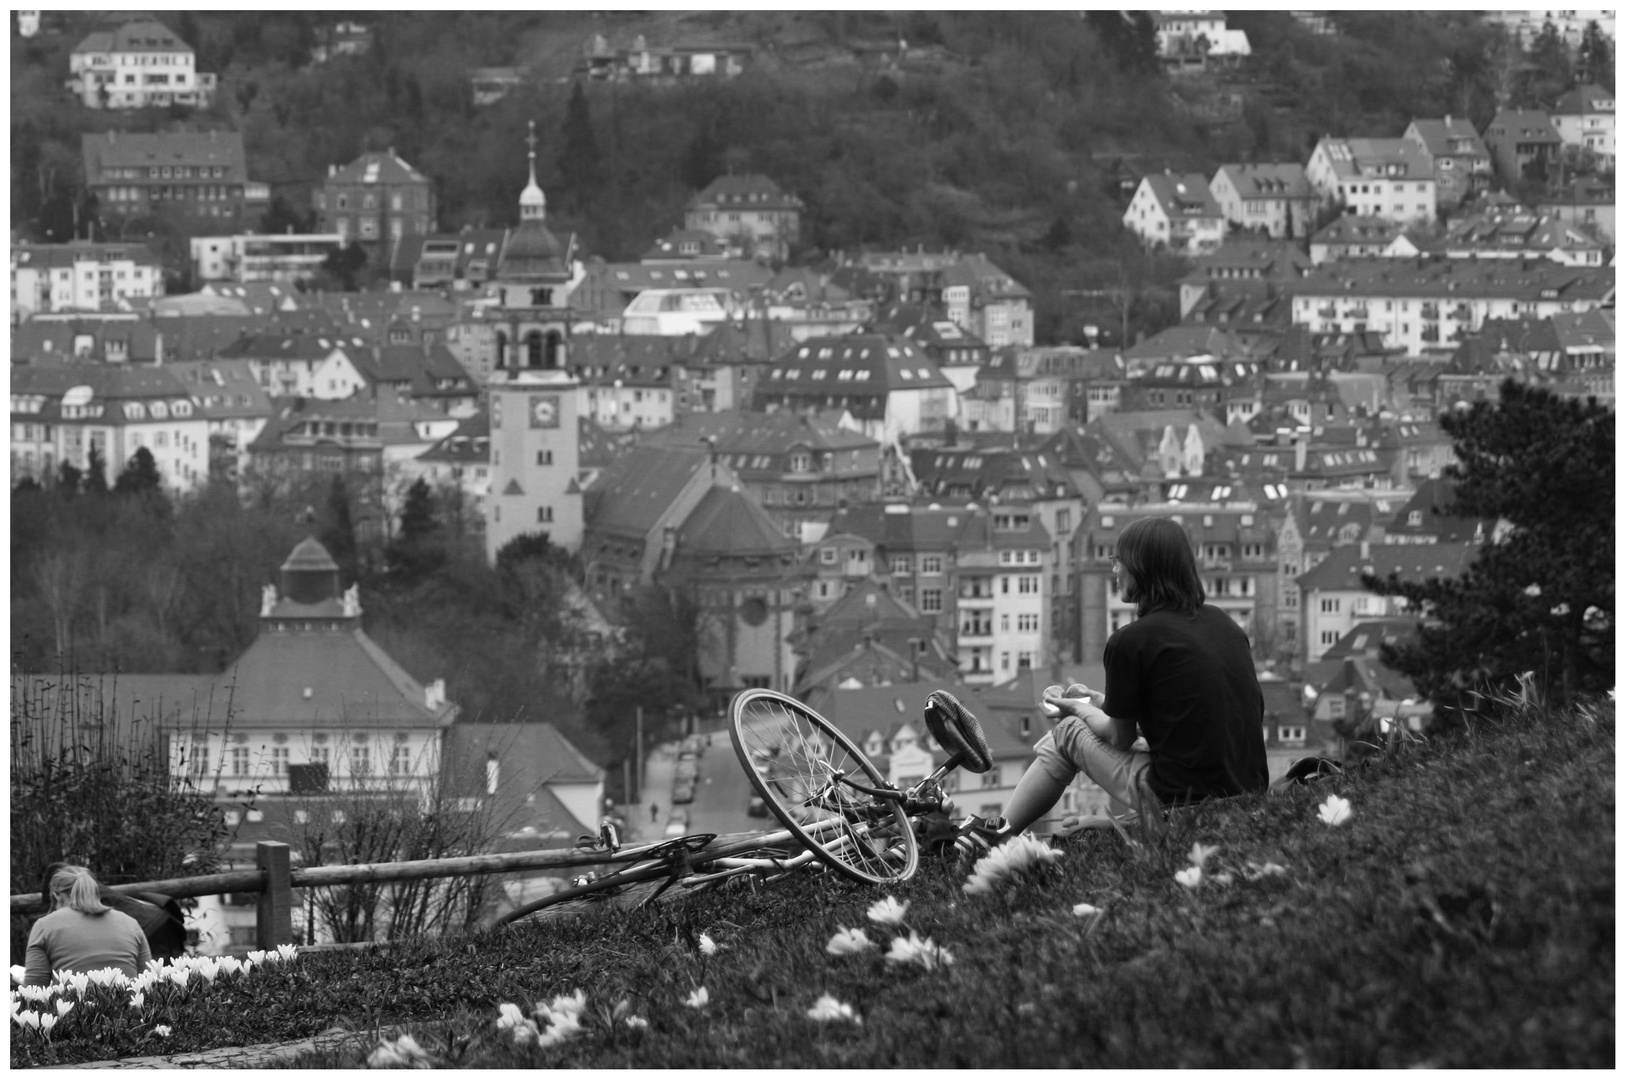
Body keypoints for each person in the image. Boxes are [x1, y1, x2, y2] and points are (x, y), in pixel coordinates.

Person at [992, 516, 1269, 840]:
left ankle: (995, 835)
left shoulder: (1130, 641)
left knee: (1066, 732)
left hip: (1186, 801)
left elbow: (1119, 737)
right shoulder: (1225, 625)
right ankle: (1112, 824)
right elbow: (1185, 719)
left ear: (1141, 568)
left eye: (1118, 561)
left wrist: (1074, 709)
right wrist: (1102, 702)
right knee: (1095, 731)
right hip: (1247, 794)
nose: (1114, 570)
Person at [24, 865, 152, 985]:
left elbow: (34, 988)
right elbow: (147, 979)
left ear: (57, 896)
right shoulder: (130, 923)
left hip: (72, 1007)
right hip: (126, 1006)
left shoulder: (44, 925)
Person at [36, 861, 188, 962]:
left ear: (57, 895)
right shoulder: (85, 887)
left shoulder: (78, 900)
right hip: (157, 918)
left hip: (151, 927)